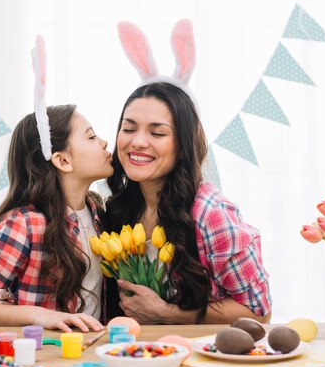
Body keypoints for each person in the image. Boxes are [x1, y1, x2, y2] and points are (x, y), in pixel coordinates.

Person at [105, 20, 271, 325]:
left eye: (157, 132)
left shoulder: (211, 212)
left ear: (183, 145)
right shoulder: (118, 208)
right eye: (129, 128)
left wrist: (166, 313)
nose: (137, 142)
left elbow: (258, 311)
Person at [0, 37, 113, 332]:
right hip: (44, 359)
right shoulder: (25, 224)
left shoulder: (98, 211)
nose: (103, 142)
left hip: (91, 356)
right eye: (90, 136)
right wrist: (40, 315)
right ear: (62, 161)